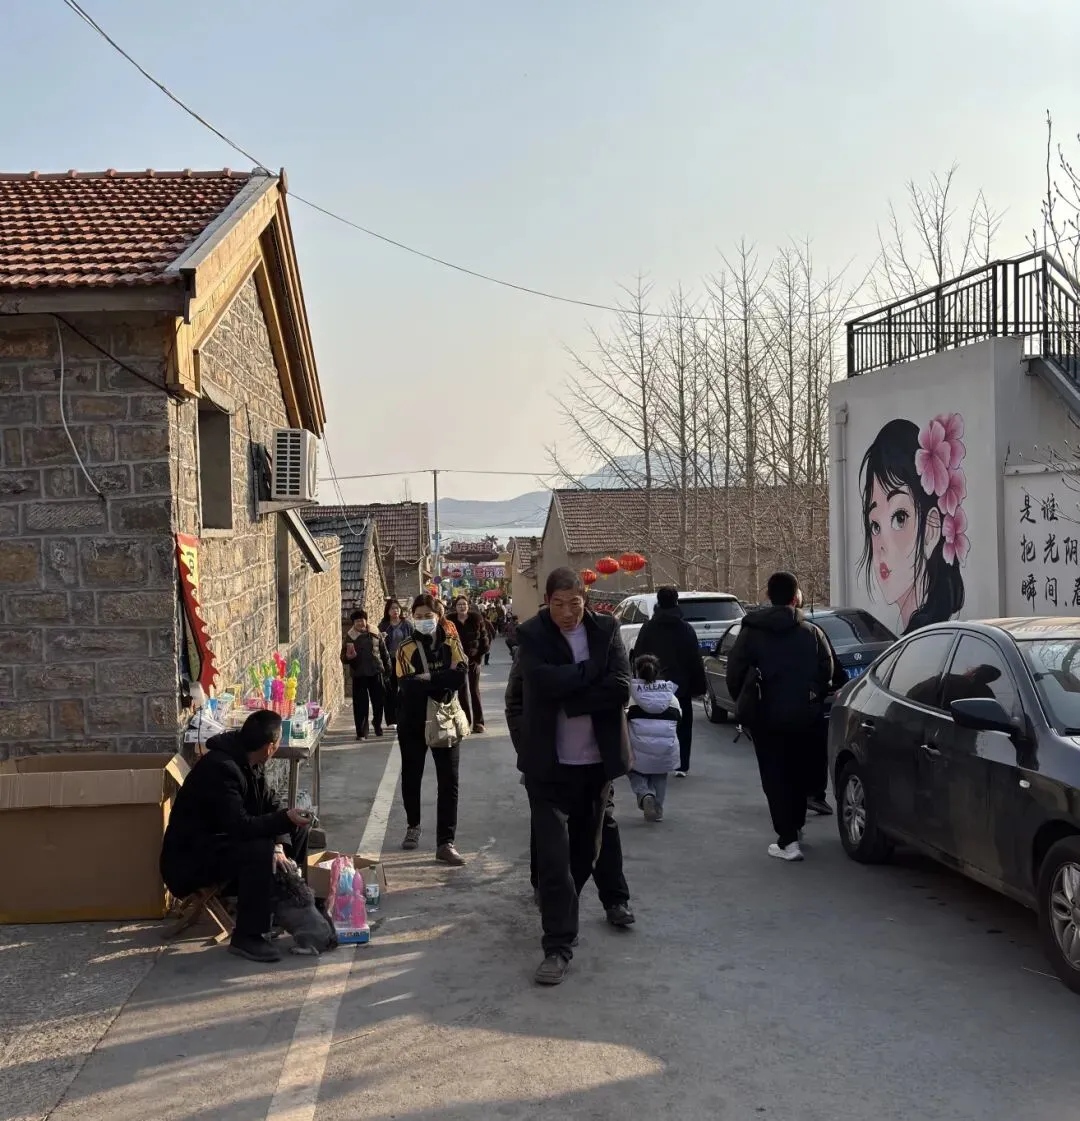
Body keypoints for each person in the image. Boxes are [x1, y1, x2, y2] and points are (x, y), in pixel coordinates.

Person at [504, 567, 631, 985]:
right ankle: (557, 946)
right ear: (547, 601)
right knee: (554, 860)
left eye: (574, 603)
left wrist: (571, 697)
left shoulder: (607, 630)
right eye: (558, 604)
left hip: (595, 765)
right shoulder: (532, 634)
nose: (566, 613)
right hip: (548, 766)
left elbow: (620, 687)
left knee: (585, 854)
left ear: (585, 600)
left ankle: (567, 910)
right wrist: (591, 673)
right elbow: (540, 683)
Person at [160, 710, 310, 963]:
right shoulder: (221, 769)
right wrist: (277, 833)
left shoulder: (251, 763)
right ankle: (248, 936)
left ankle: (286, 904)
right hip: (191, 860)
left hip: (222, 845)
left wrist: (281, 844)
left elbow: (272, 806)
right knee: (259, 849)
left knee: (298, 828)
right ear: (270, 747)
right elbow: (239, 826)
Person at [726, 571, 834, 863]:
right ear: (796, 597)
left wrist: (746, 703)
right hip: (804, 717)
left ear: (768, 596)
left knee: (775, 776)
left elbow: (734, 674)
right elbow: (827, 672)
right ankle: (795, 829)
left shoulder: (750, 632)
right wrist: (812, 696)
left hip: (765, 718)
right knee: (798, 773)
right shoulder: (811, 632)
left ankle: (787, 840)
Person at [858, 415, 967, 634]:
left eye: (899, 518)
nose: (881, 545)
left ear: (931, 529)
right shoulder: (923, 636)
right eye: (875, 526)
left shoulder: (927, 639)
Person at [396, 593, 470, 865]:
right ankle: (413, 825)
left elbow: (460, 675)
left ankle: (446, 842)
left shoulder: (451, 641)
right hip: (413, 720)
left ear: (438, 616)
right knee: (412, 775)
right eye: (418, 616)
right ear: (412, 618)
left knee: (449, 781)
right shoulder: (405, 647)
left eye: (428, 616)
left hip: (444, 718)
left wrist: (428, 677)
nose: (423, 620)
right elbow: (407, 685)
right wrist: (442, 679)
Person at [633, 586, 708, 777]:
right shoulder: (685, 629)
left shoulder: (648, 628)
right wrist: (699, 686)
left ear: (658, 602)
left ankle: (652, 762)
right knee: (683, 724)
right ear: (676, 602)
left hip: (652, 683)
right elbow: (694, 659)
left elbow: (639, 655)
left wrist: (640, 679)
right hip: (680, 685)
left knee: (652, 726)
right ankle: (682, 765)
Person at [626, 654, 682, 821]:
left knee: (633, 771)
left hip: (638, 748)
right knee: (660, 775)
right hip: (665, 748)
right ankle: (657, 810)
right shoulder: (670, 695)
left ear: (637, 672)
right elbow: (679, 716)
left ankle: (645, 794)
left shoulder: (631, 695)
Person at [341, 609, 392, 739]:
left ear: (366, 620)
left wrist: (388, 667)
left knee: (379, 702)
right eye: (357, 621)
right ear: (353, 623)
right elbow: (343, 657)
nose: (360, 623)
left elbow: (384, 651)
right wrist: (348, 657)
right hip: (359, 674)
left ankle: (377, 724)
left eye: (362, 620)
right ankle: (361, 732)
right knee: (360, 705)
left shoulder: (375, 632)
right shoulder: (350, 636)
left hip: (376, 672)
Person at [450, 595, 490, 732]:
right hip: (458, 661)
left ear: (468, 606)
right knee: (462, 692)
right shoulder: (450, 621)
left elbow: (484, 639)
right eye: (459, 605)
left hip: (474, 661)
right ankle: (465, 722)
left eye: (464, 604)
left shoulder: (476, 619)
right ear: (455, 607)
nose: (462, 607)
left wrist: (478, 658)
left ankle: (479, 723)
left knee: (474, 691)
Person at [379, 598, 412, 728]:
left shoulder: (407, 625)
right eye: (392, 608)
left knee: (405, 689)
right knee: (390, 691)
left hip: (404, 660)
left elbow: (413, 641)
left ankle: (405, 717)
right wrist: (381, 638)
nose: (395, 611)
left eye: (397, 608)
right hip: (389, 662)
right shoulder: (383, 626)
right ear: (387, 611)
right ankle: (391, 720)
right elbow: (377, 645)